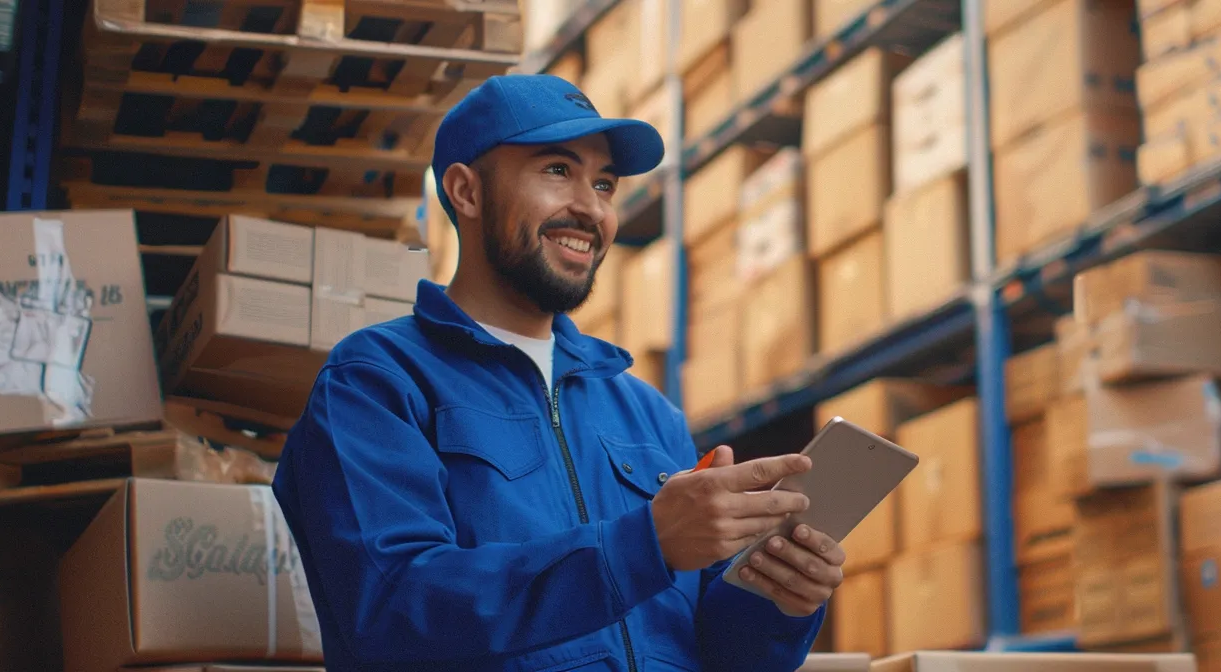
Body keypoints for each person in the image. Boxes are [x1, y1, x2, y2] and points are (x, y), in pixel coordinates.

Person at [272, 74, 844, 672]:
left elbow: (710, 652)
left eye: (604, 183)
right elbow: (392, 611)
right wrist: (643, 545)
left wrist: (778, 601)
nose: (591, 207)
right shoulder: (377, 381)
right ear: (466, 192)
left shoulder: (646, 413)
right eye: (556, 170)